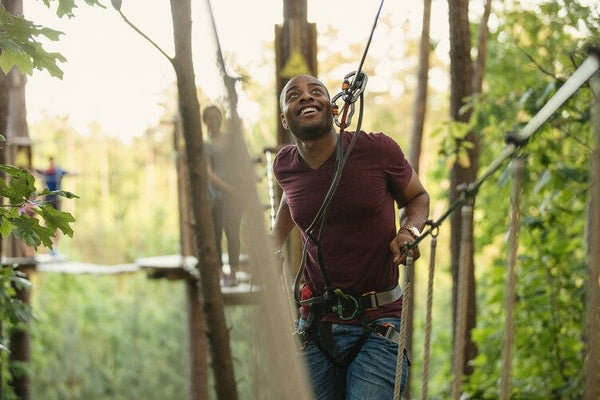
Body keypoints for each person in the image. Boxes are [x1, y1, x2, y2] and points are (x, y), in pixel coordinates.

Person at [272, 74, 430, 399]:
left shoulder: (376, 149)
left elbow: (417, 197)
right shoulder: (285, 165)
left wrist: (409, 231)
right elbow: (293, 197)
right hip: (315, 324)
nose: (306, 97)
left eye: (316, 92)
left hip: (377, 322)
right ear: (284, 117)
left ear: (333, 108)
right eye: (294, 95)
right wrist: (272, 241)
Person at [203, 105, 244, 287]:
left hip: (235, 195)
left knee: (233, 233)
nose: (214, 120)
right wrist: (229, 188)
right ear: (205, 121)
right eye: (209, 117)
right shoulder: (205, 145)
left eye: (216, 116)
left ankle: (234, 271)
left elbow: (240, 163)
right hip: (217, 196)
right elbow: (209, 173)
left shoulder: (231, 140)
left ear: (221, 118)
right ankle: (221, 273)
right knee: (216, 233)